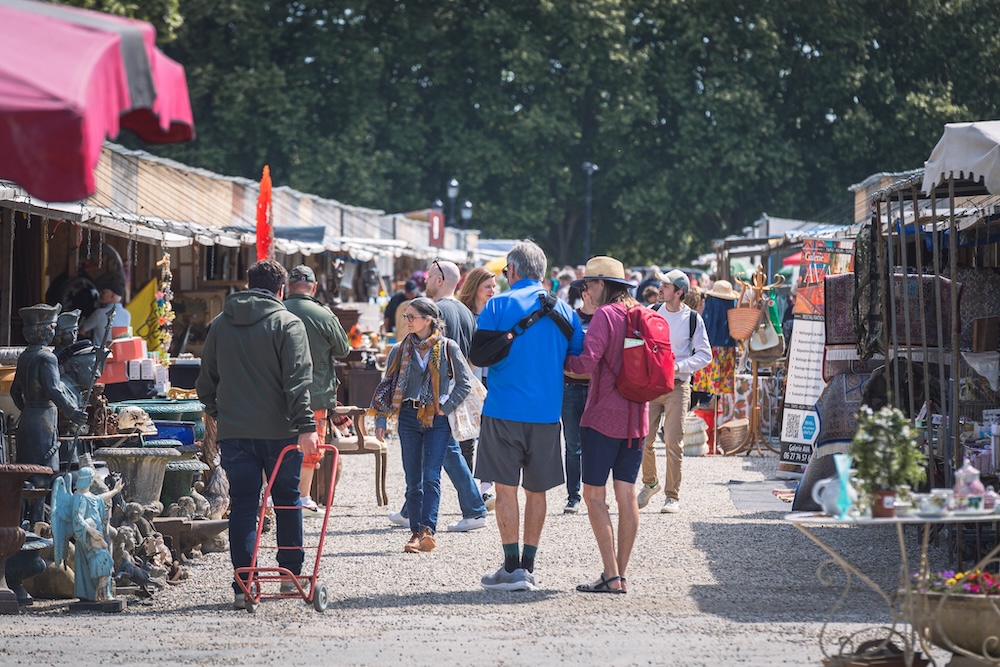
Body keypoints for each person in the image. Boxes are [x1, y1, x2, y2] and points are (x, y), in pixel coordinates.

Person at [196, 259, 320, 609]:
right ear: (281, 289)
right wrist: (307, 426)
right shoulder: (288, 323)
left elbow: (205, 382)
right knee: (286, 500)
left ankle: (244, 584)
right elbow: (298, 382)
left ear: (248, 285)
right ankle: (289, 574)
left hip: (235, 431)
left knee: (243, 504)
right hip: (281, 430)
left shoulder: (221, 323)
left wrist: (222, 413)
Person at [470, 240, 584, 591]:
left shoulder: (498, 304)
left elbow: (478, 355)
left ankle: (510, 567)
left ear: (514, 270)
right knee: (538, 492)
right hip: (547, 414)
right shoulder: (565, 311)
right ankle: (528, 567)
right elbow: (576, 361)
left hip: (503, 410)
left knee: (506, 491)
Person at [564, 256, 648, 594]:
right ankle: (620, 575)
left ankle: (611, 574)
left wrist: (558, 362)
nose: (585, 290)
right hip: (637, 418)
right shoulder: (641, 313)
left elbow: (586, 363)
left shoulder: (605, 315)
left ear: (601, 284)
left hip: (603, 418)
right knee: (627, 494)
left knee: (593, 495)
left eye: (589, 284)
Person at [370, 298, 473, 553]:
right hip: (407, 416)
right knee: (412, 478)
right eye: (406, 316)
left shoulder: (448, 347)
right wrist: (381, 420)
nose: (406, 321)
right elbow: (387, 386)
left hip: (437, 419)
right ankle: (416, 533)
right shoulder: (399, 349)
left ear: (428, 320)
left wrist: (446, 408)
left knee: (431, 476)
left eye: (411, 316)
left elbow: (465, 384)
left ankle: (428, 530)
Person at [405, 258, 488, 532]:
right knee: (443, 452)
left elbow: (427, 355)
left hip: (438, 392)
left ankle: (472, 510)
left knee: (441, 452)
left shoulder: (435, 311)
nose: (426, 281)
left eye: (429, 277)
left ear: (439, 280)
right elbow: (473, 357)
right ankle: (412, 510)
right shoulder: (466, 311)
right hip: (455, 389)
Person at [636, 270, 712, 514]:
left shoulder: (693, 319)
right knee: (643, 439)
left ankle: (672, 496)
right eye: (661, 284)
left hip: (678, 385)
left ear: (679, 292)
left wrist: (678, 366)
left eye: (666, 285)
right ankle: (650, 483)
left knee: (673, 442)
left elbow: (705, 355)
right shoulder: (651, 311)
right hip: (651, 385)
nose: (660, 288)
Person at [283, 265, 351, 517]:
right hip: (316, 391)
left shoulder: (277, 311)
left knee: (277, 444)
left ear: (288, 287)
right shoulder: (323, 314)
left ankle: (275, 497)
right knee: (311, 444)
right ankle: (302, 497)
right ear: (313, 288)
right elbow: (343, 349)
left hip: (278, 390)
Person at [456, 266, 499, 506]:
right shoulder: (464, 315)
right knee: (467, 436)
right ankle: (469, 489)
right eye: (488, 286)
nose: (492, 290)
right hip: (469, 379)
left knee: (489, 435)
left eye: (494, 286)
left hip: (491, 380)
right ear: (475, 287)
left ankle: (485, 487)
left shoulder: (496, 314)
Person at [560, 284, 597, 514]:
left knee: (597, 446)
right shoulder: (570, 318)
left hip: (597, 389)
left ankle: (596, 495)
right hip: (571, 387)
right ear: (584, 295)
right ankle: (573, 496)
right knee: (573, 446)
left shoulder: (605, 318)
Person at [80, 273, 130, 346]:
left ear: (112, 296)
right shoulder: (127, 314)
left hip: (99, 352)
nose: (100, 294)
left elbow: (81, 331)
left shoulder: (99, 313)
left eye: (104, 292)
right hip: (119, 351)